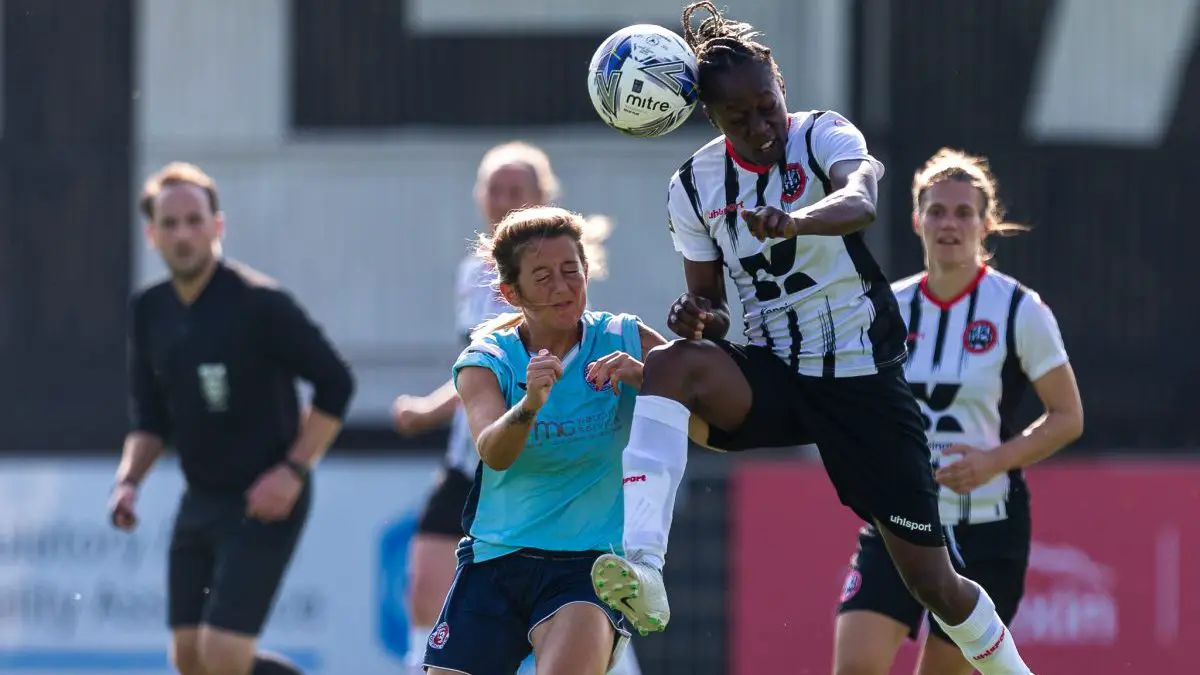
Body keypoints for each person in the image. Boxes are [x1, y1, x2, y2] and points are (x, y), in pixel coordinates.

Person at [591, 3, 1040, 673]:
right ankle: (645, 567)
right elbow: (710, 304)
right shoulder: (691, 186)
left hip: (864, 380)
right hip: (778, 372)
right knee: (673, 365)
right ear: (711, 120)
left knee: (933, 584)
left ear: (779, 83)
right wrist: (698, 318)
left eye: (767, 106)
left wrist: (797, 221)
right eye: (739, 119)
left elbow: (860, 198)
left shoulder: (823, 132)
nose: (761, 126)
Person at [390, 143, 642, 675]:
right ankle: (424, 659)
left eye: (571, 271)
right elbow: (488, 429)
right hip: (489, 502)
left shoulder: (618, 338)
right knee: (422, 589)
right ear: (508, 290)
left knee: (583, 631)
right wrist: (528, 404)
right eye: (543, 277)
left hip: (584, 551)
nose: (561, 287)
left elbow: (701, 398)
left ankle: (616, 650)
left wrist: (666, 370)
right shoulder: (486, 350)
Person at [833, 149, 1084, 675]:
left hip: (987, 526)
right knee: (856, 665)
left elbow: (1067, 416)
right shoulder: (886, 308)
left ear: (986, 223)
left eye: (963, 212)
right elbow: (853, 407)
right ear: (916, 219)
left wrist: (993, 461)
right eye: (937, 210)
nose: (949, 223)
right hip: (901, 518)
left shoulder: (1019, 309)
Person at [109, 162, 355, 675]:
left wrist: (293, 471)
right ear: (151, 234)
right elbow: (149, 419)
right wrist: (128, 481)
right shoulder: (148, 310)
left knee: (222, 655)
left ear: (217, 226)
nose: (183, 234)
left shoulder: (260, 303)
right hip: (201, 498)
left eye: (194, 220)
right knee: (190, 660)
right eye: (170, 224)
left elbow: (336, 383)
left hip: (265, 498)